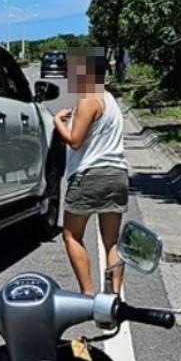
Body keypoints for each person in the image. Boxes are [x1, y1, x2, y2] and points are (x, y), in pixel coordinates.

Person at [52, 48, 129, 295]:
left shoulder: (88, 99)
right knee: (112, 242)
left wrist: (57, 123)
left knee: (72, 235)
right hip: (117, 175)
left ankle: (88, 295)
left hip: (89, 175)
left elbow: (75, 141)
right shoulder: (110, 100)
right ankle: (115, 298)